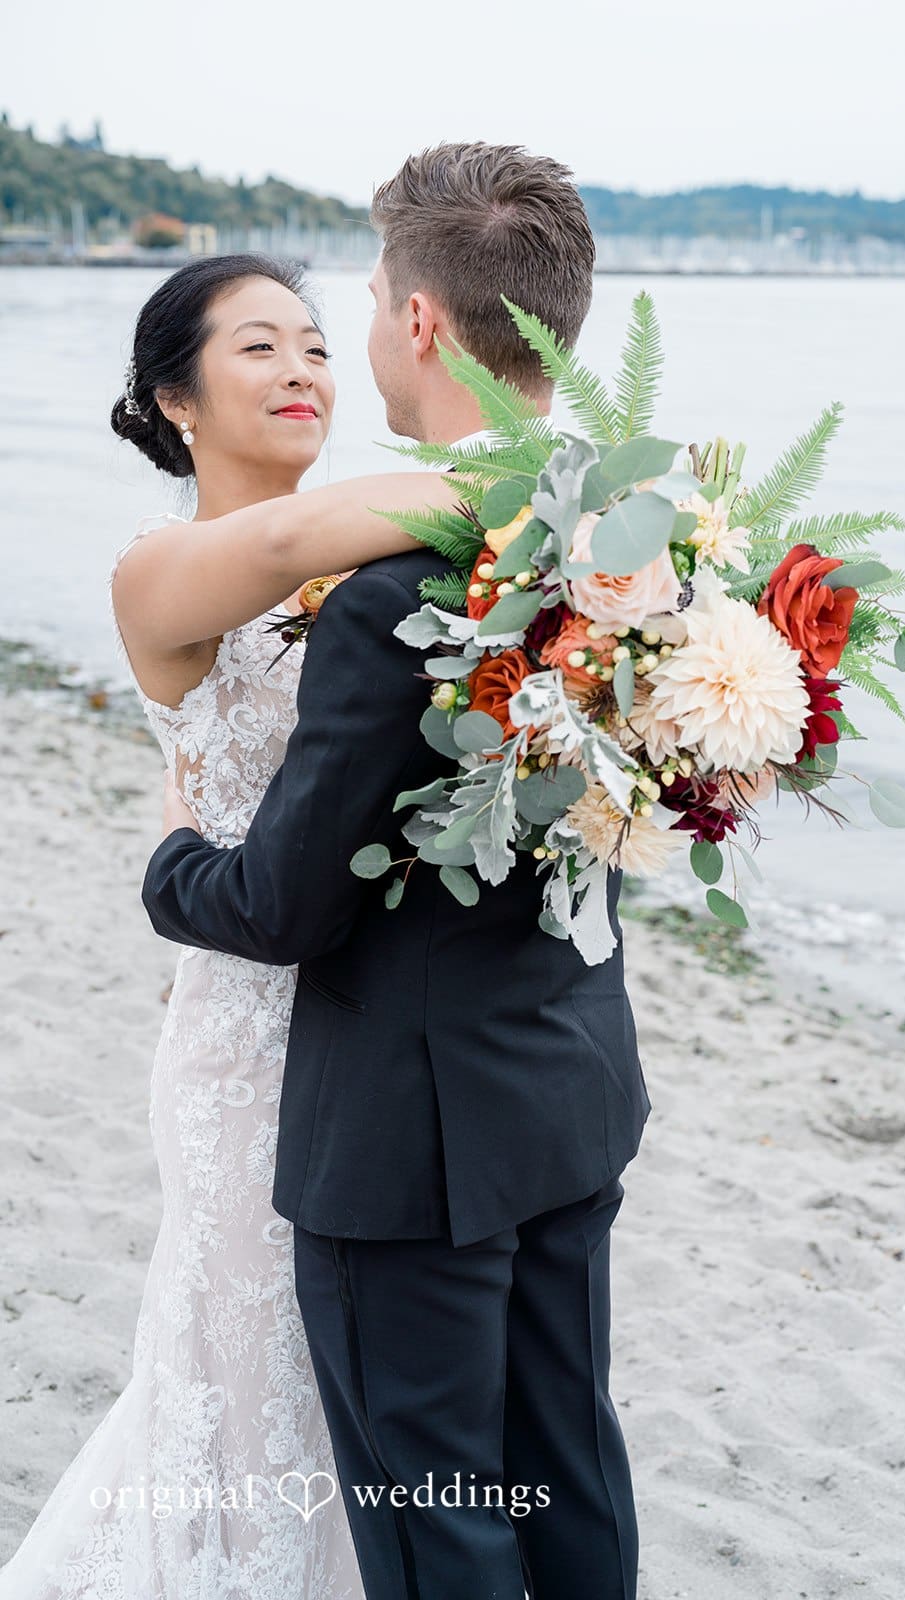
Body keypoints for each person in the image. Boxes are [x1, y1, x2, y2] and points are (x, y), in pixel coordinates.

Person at [140, 143, 650, 1600]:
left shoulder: (396, 592)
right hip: (566, 1084)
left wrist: (169, 867)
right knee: (566, 1465)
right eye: (265, 344)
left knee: (439, 1517)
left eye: (354, 310)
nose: (334, 348)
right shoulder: (630, 552)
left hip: (409, 1132)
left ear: (418, 321)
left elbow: (286, 903)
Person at [0, 250, 459, 1600]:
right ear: (175, 400)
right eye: (258, 347)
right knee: (246, 1385)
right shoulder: (163, 569)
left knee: (341, 1395)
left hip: (380, 1023)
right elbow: (274, 548)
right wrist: (547, 482)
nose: (304, 368)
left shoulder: (368, 563)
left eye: (316, 343)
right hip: (248, 1044)